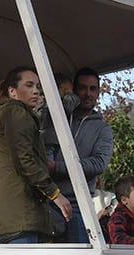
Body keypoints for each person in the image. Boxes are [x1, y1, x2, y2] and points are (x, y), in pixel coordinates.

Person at [0, 66, 71, 244]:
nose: (36, 91)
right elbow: (24, 160)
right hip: (20, 215)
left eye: (37, 86)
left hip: (3, 215)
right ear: (12, 91)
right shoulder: (17, 112)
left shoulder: (2, 115)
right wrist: (55, 194)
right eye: (29, 85)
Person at [46, 67, 113, 243]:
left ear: (99, 92)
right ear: (74, 91)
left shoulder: (102, 129)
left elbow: (98, 164)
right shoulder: (57, 118)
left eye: (93, 89)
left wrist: (56, 167)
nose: (88, 94)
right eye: (82, 88)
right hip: (46, 202)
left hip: (78, 208)